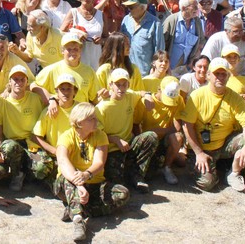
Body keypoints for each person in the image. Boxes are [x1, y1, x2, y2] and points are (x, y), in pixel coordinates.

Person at [178, 58, 245, 192]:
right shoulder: (196, 96)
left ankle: (234, 173)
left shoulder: (235, 98)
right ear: (208, 75)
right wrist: (198, 153)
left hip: (223, 145)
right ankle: (215, 166)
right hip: (201, 147)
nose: (220, 77)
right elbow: (187, 126)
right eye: (216, 74)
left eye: (223, 74)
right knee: (207, 184)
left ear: (228, 76)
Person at [54, 102, 129, 242]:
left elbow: (99, 163)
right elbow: (63, 161)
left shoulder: (101, 136)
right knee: (66, 179)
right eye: (91, 119)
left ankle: (75, 207)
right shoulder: (66, 136)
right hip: (70, 183)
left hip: (94, 182)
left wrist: (86, 174)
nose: (96, 121)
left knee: (122, 194)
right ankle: (78, 219)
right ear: (80, 122)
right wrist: (79, 184)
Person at [95, 68, 157, 193]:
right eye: (117, 84)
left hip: (129, 145)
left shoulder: (129, 96)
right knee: (116, 181)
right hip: (112, 149)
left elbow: (141, 92)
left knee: (151, 136)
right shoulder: (101, 107)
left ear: (128, 85)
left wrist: (148, 96)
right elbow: (96, 135)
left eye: (124, 85)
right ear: (110, 85)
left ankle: (137, 175)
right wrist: (116, 140)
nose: (121, 88)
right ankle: (126, 173)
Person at [0, 65, 45, 191]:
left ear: (27, 82)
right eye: (15, 79)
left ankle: (28, 171)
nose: (18, 83)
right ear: (10, 82)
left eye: (22, 80)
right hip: (12, 144)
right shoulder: (0, 102)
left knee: (42, 170)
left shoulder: (36, 99)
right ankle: (17, 174)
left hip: (31, 143)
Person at [31, 74, 80, 185]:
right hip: (54, 156)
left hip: (75, 156)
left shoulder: (80, 110)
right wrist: (55, 151)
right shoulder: (48, 112)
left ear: (75, 91)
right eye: (62, 89)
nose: (66, 92)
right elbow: (34, 136)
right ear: (56, 91)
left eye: (69, 89)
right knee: (39, 169)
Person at [32, 32, 99, 107]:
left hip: (80, 116)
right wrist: (51, 99)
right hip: (59, 117)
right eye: (69, 49)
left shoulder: (89, 71)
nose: (73, 52)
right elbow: (33, 86)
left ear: (80, 50)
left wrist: (103, 96)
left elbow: (94, 98)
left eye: (76, 49)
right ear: (62, 50)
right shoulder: (52, 69)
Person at [139, 80, 185, 185]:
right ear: (159, 89)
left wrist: (157, 131)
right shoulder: (145, 102)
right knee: (149, 175)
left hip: (164, 138)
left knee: (177, 138)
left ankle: (167, 167)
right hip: (148, 141)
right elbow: (136, 125)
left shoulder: (179, 100)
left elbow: (177, 128)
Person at [60, 0, 104, 69]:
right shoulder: (73, 12)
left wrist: (101, 40)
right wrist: (75, 35)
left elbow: (107, 37)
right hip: (77, 57)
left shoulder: (101, 15)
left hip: (95, 56)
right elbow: (61, 32)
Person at [120, 0, 165, 76]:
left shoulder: (155, 23)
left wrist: (155, 69)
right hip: (125, 71)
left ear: (142, 7)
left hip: (145, 73)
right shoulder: (126, 20)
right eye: (128, 7)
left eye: (131, 7)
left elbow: (159, 50)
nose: (129, 9)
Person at [163, 0, 205, 74]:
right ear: (183, 8)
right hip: (170, 67)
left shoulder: (197, 22)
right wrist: (165, 65)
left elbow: (201, 42)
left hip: (187, 68)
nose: (197, 9)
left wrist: (194, 60)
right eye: (194, 6)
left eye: (197, 6)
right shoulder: (171, 20)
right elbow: (162, 45)